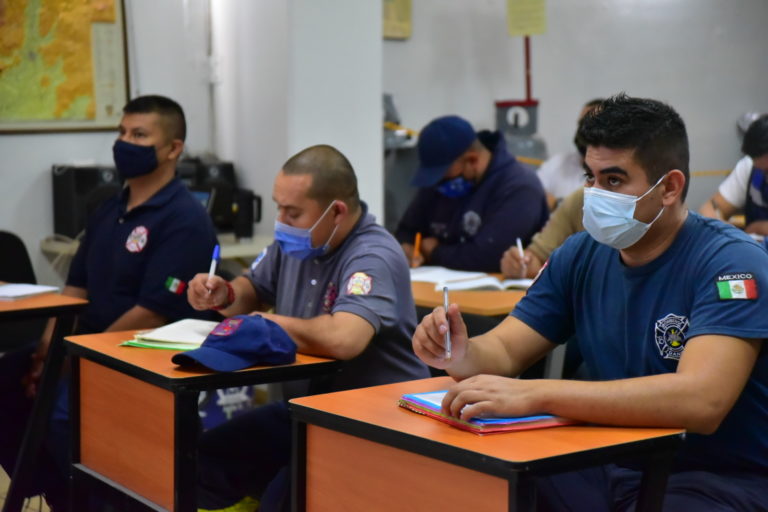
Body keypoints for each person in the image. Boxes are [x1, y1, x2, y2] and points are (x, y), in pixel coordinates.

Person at [412, 94, 768, 510]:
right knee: (473, 485)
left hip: (716, 478)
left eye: (613, 181)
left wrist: (540, 395)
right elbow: (507, 349)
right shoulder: (579, 254)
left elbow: (701, 400)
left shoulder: (732, 264)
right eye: (590, 177)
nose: (593, 195)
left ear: (669, 187)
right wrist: (458, 352)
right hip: (607, 458)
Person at [0, 95, 218, 509]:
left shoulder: (185, 219)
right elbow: (74, 287)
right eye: (121, 132)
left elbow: (151, 311)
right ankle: (58, 489)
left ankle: (104, 499)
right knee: (9, 382)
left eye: (139, 135)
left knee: (65, 412)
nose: (124, 143)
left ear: (174, 149)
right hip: (83, 350)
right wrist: (47, 353)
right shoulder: (108, 208)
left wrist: (70, 358)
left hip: (139, 357)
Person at [187, 144, 430, 512]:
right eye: (278, 207)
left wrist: (266, 323)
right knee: (204, 460)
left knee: (286, 499)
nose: (281, 221)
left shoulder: (372, 255)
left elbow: (346, 339)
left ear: (336, 212)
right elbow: (254, 291)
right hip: (308, 410)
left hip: (374, 421)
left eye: (293, 212)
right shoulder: (297, 242)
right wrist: (223, 294)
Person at [394, 115, 549, 272]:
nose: (438, 185)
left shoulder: (519, 187)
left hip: (498, 292)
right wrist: (407, 247)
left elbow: (488, 257)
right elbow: (406, 230)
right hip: (435, 287)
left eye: (445, 177)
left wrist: (435, 251)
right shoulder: (439, 181)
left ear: (472, 160)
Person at [699, 114, 768, 235]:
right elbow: (708, 209)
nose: (765, 177)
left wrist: (757, 228)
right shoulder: (749, 167)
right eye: (762, 171)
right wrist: (729, 232)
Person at [500, 187, 584, 279]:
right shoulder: (579, 200)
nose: (594, 184)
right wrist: (519, 264)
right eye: (589, 176)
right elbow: (537, 258)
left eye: (602, 173)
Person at [537, 98, 603, 210]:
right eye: (581, 123)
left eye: (590, 125)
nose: (583, 131)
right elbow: (532, 191)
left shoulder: (615, 172)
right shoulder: (558, 162)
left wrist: (556, 204)